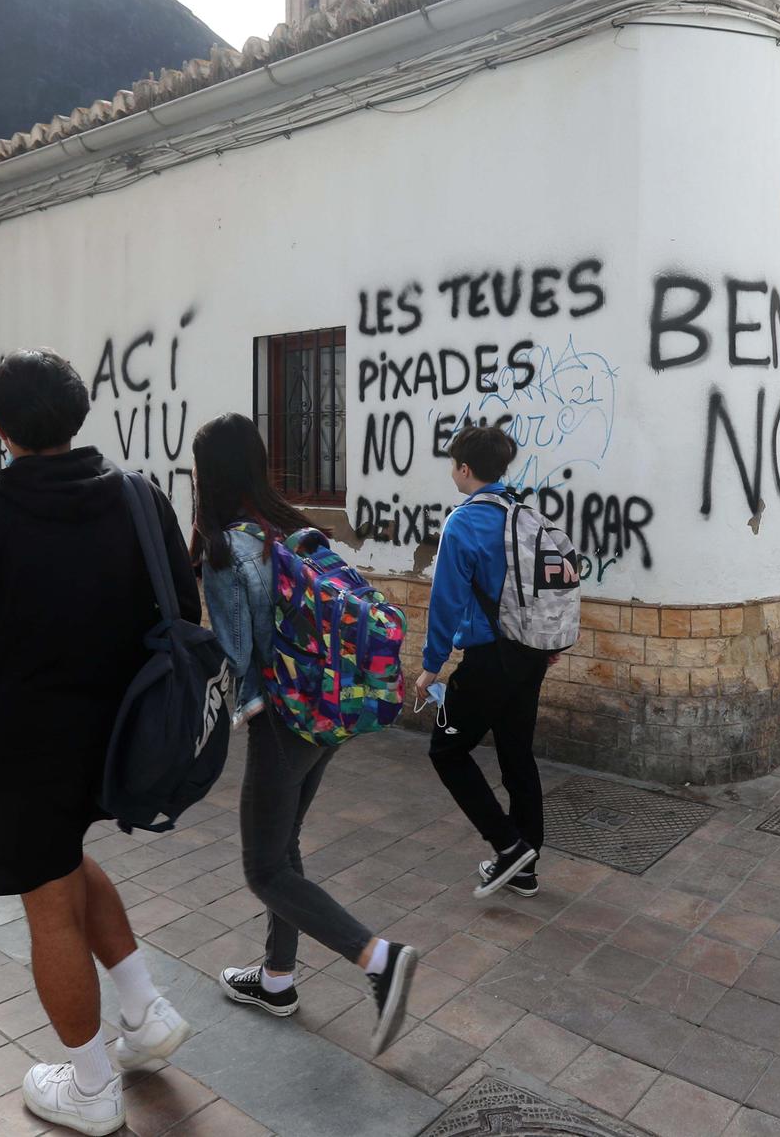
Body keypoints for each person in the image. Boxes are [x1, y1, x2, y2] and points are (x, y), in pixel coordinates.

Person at [0, 348, 193, 1137]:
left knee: (49, 904)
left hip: (28, 753)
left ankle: (93, 1086)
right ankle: (145, 1008)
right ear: (77, 414)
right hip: (126, 741)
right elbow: (183, 605)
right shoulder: (142, 500)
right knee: (67, 863)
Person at [191, 413, 417, 1055]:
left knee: (263, 868)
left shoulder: (226, 549)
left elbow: (237, 656)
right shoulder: (297, 528)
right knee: (283, 843)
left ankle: (378, 958)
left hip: (282, 719)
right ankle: (277, 979)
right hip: (330, 711)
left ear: (207, 475)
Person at [418, 424, 550, 899]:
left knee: (447, 751)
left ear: (465, 468)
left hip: (488, 658)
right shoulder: (524, 514)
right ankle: (527, 867)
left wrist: (431, 666)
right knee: (517, 754)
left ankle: (510, 847)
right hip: (530, 654)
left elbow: (446, 600)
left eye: (453, 463)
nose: (451, 471)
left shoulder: (464, 521)